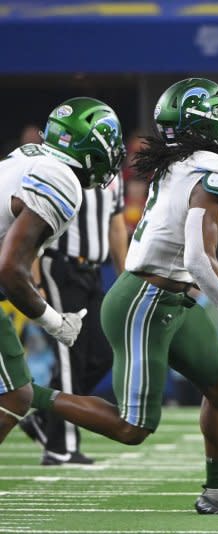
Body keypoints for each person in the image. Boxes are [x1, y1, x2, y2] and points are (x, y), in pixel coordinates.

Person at [25, 78, 218, 515]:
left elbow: (185, 254)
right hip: (145, 301)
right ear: (199, 125)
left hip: (166, 297)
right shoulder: (214, 172)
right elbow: (200, 259)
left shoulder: (180, 165)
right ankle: (24, 395)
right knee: (133, 427)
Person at [0, 97, 124, 443]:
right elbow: (9, 270)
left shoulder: (31, 155)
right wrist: (56, 323)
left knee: (16, 393)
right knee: (15, 395)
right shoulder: (61, 181)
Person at [19, 162, 128, 466]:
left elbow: (116, 225)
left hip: (93, 271)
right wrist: (36, 280)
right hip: (61, 267)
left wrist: (125, 277)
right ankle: (60, 446)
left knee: (103, 354)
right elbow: (38, 227)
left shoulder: (112, 176)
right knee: (70, 357)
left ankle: (43, 417)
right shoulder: (61, 172)